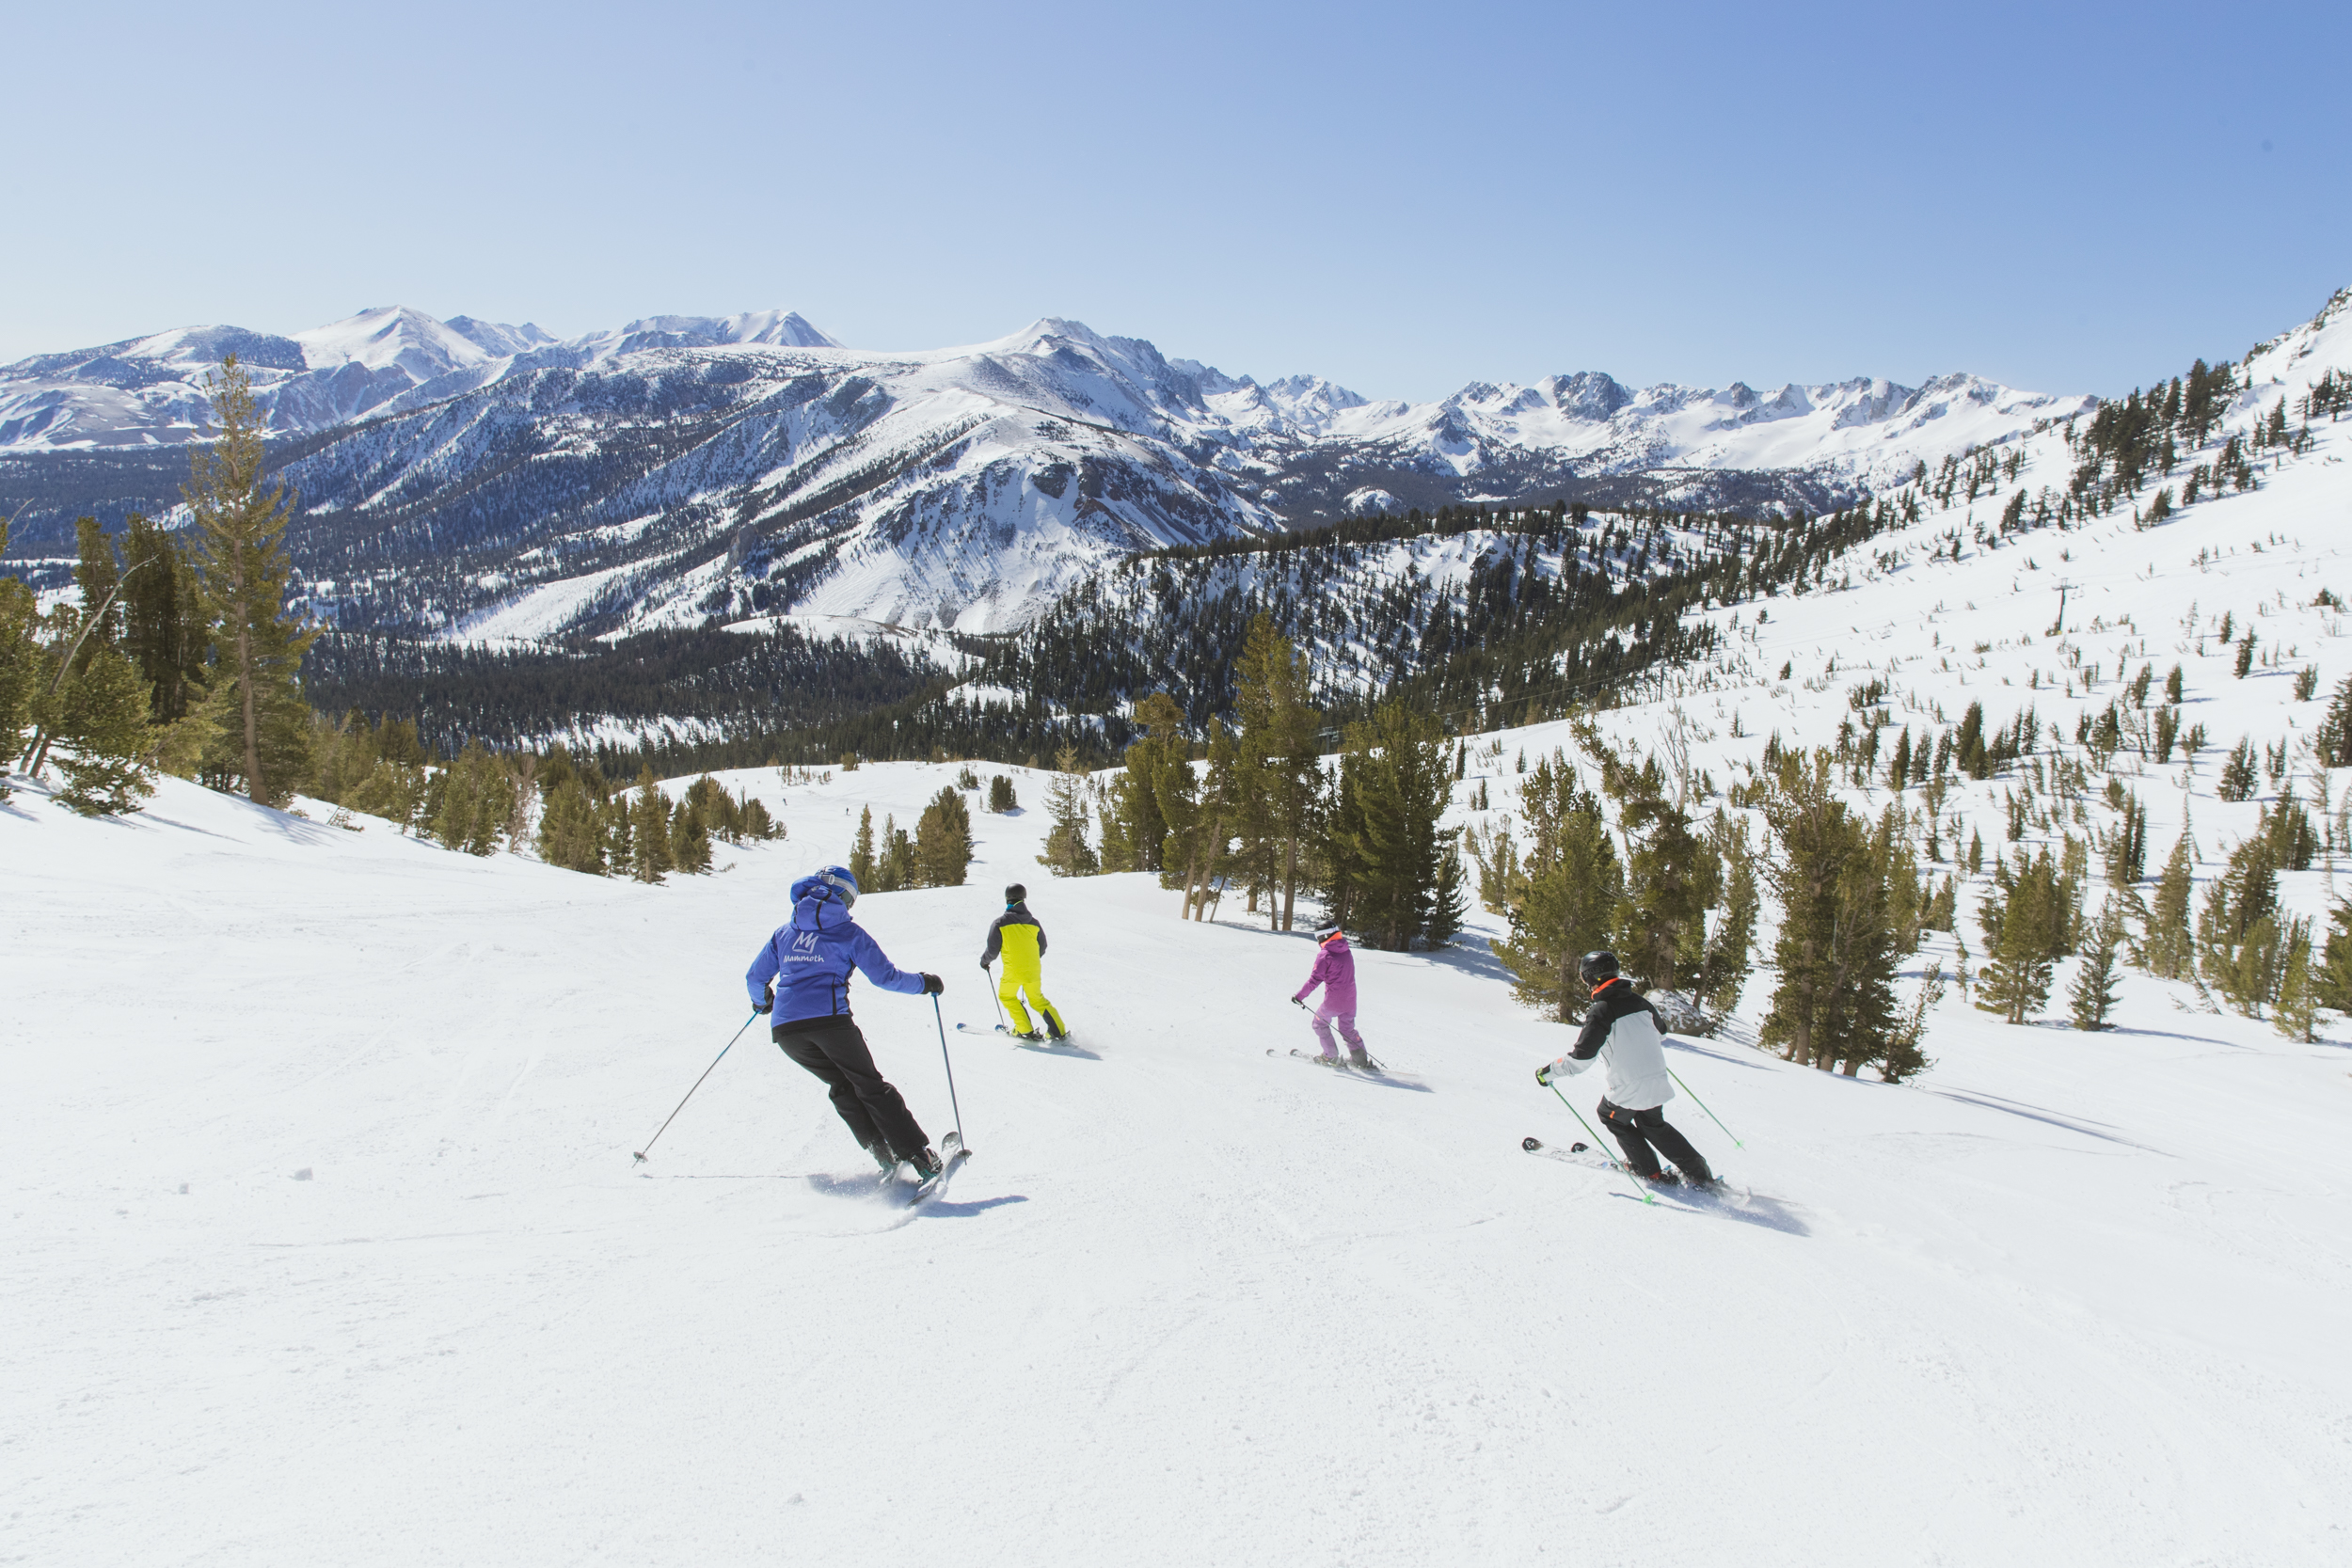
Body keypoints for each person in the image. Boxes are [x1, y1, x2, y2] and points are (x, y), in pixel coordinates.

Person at [747, 864, 946, 1178]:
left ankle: (884, 1156)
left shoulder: (784, 933)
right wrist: (924, 983)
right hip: (830, 1022)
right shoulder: (849, 932)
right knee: (869, 1085)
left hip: (787, 1032)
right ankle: (918, 1155)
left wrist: (762, 1002)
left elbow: (755, 977)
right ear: (841, 894)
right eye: (850, 899)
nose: (850, 907)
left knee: (842, 1086)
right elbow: (885, 977)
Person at [1535, 950, 1715, 1187]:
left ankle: (1648, 1170)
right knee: (1652, 1124)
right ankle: (1698, 1171)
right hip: (1656, 1081)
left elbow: (1580, 1060)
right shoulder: (1641, 1002)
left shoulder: (1601, 1010)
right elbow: (1661, 1033)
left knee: (1611, 1117)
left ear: (1588, 978)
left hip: (1627, 1086)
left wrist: (1547, 1072)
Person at [981, 883, 1066, 1041]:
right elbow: (1043, 946)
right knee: (1037, 999)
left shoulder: (1000, 923)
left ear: (1007, 899)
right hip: (1033, 969)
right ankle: (1058, 1030)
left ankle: (1024, 1029)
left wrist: (984, 962)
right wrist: (1031, 958)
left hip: (1013, 971)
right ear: (1024, 898)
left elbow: (992, 950)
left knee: (1006, 996)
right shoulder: (1034, 923)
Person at [1292, 923, 1373, 1070]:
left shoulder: (1325, 956)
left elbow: (1314, 980)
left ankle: (1331, 1057)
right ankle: (1360, 1060)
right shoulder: (1346, 951)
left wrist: (1299, 997)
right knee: (1347, 1029)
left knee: (1319, 1023)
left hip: (1333, 1002)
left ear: (1324, 936)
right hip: (1350, 1000)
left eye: (1318, 938)